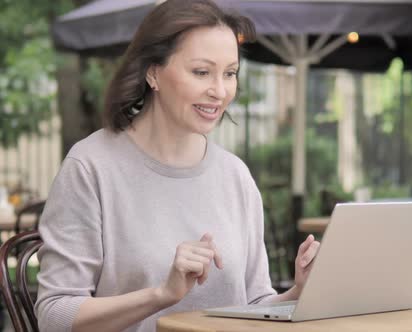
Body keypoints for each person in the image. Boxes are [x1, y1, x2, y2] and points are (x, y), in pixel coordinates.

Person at [34, 1, 320, 331]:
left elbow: (253, 304)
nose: (220, 91)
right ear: (152, 72)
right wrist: (161, 295)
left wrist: (299, 292)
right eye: (202, 72)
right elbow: (54, 315)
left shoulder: (234, 175)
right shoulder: (91, 168)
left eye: (230, 73)